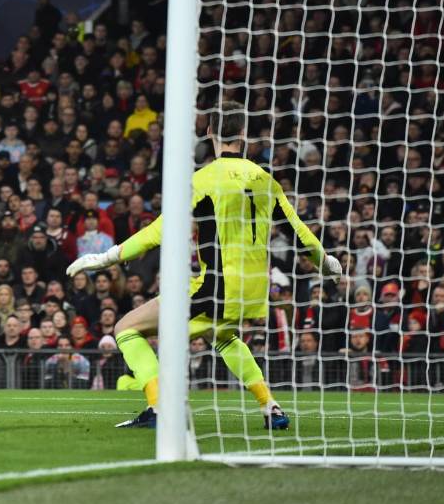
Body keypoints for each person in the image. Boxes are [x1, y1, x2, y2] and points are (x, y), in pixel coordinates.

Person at [67, 106, 342, 430]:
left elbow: (160, 231)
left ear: (210, 134)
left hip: (217, 288)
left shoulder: (203, 180)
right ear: (243, 136)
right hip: (254, 291)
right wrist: (324, 261)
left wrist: (107, 257)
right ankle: (271, 407)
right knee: (223, 337)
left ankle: (159, 407)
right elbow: (298, 231)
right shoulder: (266, 180)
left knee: (126, 328)